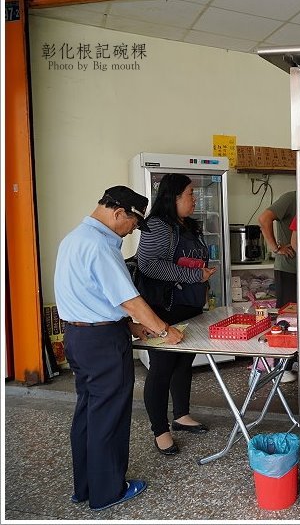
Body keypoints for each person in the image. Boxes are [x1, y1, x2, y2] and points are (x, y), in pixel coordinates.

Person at [54, 185, 184, 511]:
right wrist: (164, 330)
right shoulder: (100, 245)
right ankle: (108, 491)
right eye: (133, 225)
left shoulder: (73, 239)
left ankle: (84, 487)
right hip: (102, 345)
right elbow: (131, 300)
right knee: (109, 417)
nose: (131, 233)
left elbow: (90, 296)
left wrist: (127, 325)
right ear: (118, 214)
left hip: (78, 338)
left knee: (88, 412)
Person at [136, 174, 217, 456]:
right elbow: (148, 266)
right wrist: (194, 274)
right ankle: (160, 430)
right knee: (161, 369)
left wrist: (201, 281)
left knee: (184, 364)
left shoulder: (189, 226)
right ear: (173, 197)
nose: (194, 199)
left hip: (190, 306)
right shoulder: (158, 226)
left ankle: (181, 415)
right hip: (165, 309)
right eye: (189, 194)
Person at [257, 165, 300, 383]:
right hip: (288, 268)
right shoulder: (292, 198)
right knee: (287, 319)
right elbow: (263, 219)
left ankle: (299, 361)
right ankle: (281, 366)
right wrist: (275, 247)